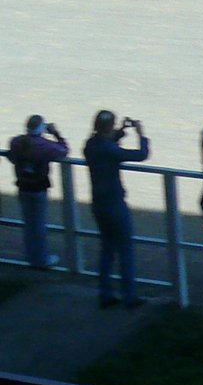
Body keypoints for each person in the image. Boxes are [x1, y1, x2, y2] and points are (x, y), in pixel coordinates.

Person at [84, 110, 149, 309]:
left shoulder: (90, 146)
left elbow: (107, 141)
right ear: (108, 127)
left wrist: (121, 131)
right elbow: (141, 155)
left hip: (99, 204)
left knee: (107, 250)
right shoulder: (109, 150)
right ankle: (129, 296)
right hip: (114, 203)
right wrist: (141, 134)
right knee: (126, 249)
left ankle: (105, 293)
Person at [7, 115, 69, 269]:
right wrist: (56, 133)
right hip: (39, 188)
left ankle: (30, 256)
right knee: (40, 224)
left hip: (23, 186)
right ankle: (41, 259)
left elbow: (12, 156)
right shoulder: (45, 146)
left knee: (29, 224)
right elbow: (64, 150)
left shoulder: (16, 142)